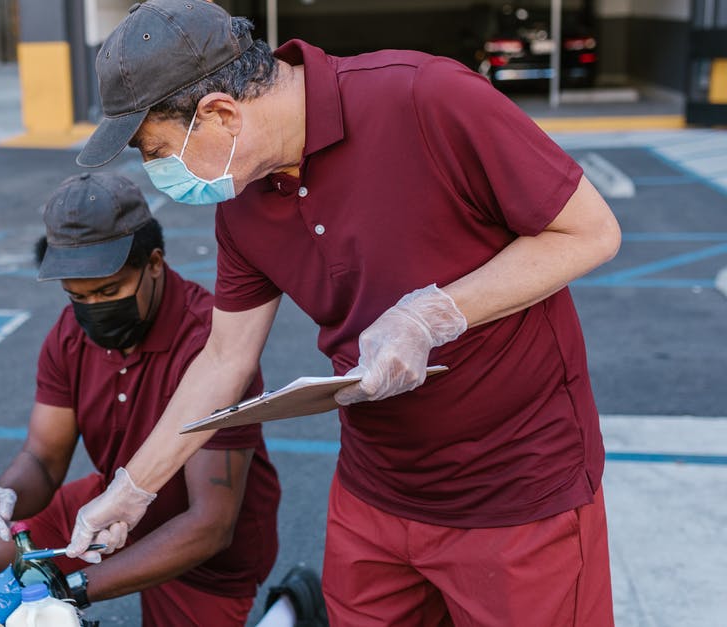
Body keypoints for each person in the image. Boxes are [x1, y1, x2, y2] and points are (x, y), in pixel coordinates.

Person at [64, 1, 622, 625]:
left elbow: (590, 232)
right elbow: (224, 357)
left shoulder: (425, 97)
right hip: (374, 491)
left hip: (517, 492)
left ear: (219, 114)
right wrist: (132, 489)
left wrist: (431, 314)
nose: (156, 173)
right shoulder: (242, 202)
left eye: (156, 150)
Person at [0, 172, 283, 626]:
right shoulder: (69, 334)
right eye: (77, 296)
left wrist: (71, 588)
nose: (93, 310)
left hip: (199, 553)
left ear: (154, 263)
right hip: (107, 508)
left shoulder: (212, 347)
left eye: (108, 291)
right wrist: (1, 496)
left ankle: (290, 607)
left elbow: (210, 524)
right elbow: (44, 459)